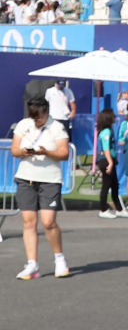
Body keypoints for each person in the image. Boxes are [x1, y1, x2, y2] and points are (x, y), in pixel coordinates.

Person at [10, 99, 71, 280]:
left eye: (39, 118)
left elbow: (64, 153)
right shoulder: (23, 125)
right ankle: (32, 264)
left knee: (48, 222)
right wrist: (24, 152)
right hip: (25, 178)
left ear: (46, 112)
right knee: (29, 222)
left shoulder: (57, 127)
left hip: (50, 180)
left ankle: (59, 259)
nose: (36, 121)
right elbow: (14, 149)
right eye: (33, 117)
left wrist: (46, 152)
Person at [96, 111, 128, 219]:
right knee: (106, 185)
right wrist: (110, 162)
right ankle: (103, 209)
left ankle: (119, 209)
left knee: (115, 185)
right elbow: (106, 148)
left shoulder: (109, 130)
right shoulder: (106, 132)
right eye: (113, 116)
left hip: (109, 159)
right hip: (106, 160)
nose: (115, 118)